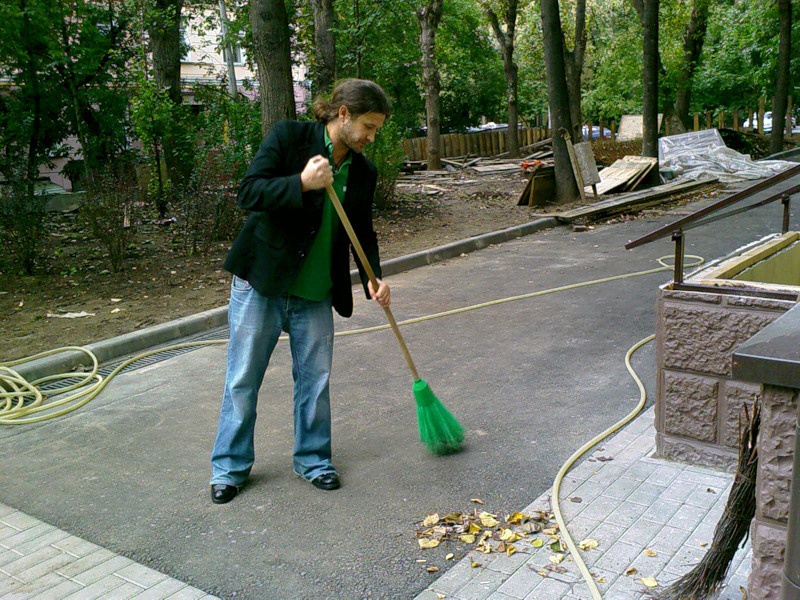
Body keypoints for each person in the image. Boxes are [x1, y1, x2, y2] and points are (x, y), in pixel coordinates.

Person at [209, 79, 392, 504]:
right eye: (368, 126)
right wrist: (302, 183)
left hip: (316, 291)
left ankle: (313, 460)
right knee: (242, 379)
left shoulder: (363, 171)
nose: (371, 136)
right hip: (263, 283)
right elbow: (248, 192)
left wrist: (374, 275)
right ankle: (229, 468)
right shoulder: (289, 138)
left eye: (376, 129)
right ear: (342, 114)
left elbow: (362, 228)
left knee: (315, 381)